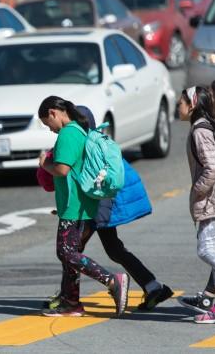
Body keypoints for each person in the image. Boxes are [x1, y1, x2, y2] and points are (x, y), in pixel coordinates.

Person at [41, 106, 173, 312]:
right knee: (110, 249)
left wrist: (89, 218)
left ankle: (70, 298)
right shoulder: (94, 142)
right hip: (103, 204)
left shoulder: (87, 145)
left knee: (71, 251)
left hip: (99, 206)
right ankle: (152, 286)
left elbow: (90, 185)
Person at [37, 96, 129, 317]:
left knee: (66, 252)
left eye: (47, 123)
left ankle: (111, 280)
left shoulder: (69, 133)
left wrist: (44, 162)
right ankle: (71, 303)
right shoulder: (79, 129)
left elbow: (62, 170)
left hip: (74, 205)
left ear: (53, 113)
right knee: (72, 253)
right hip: (80, 203)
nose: (50, 130)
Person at [178, 85, 215, 314]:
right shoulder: (210, 126)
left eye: (181, 103)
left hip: (212, 202)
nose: (178, 107)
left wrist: (198, 191)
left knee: (206, 250)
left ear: (192, 105)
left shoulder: (199, 130)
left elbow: (211, 168)